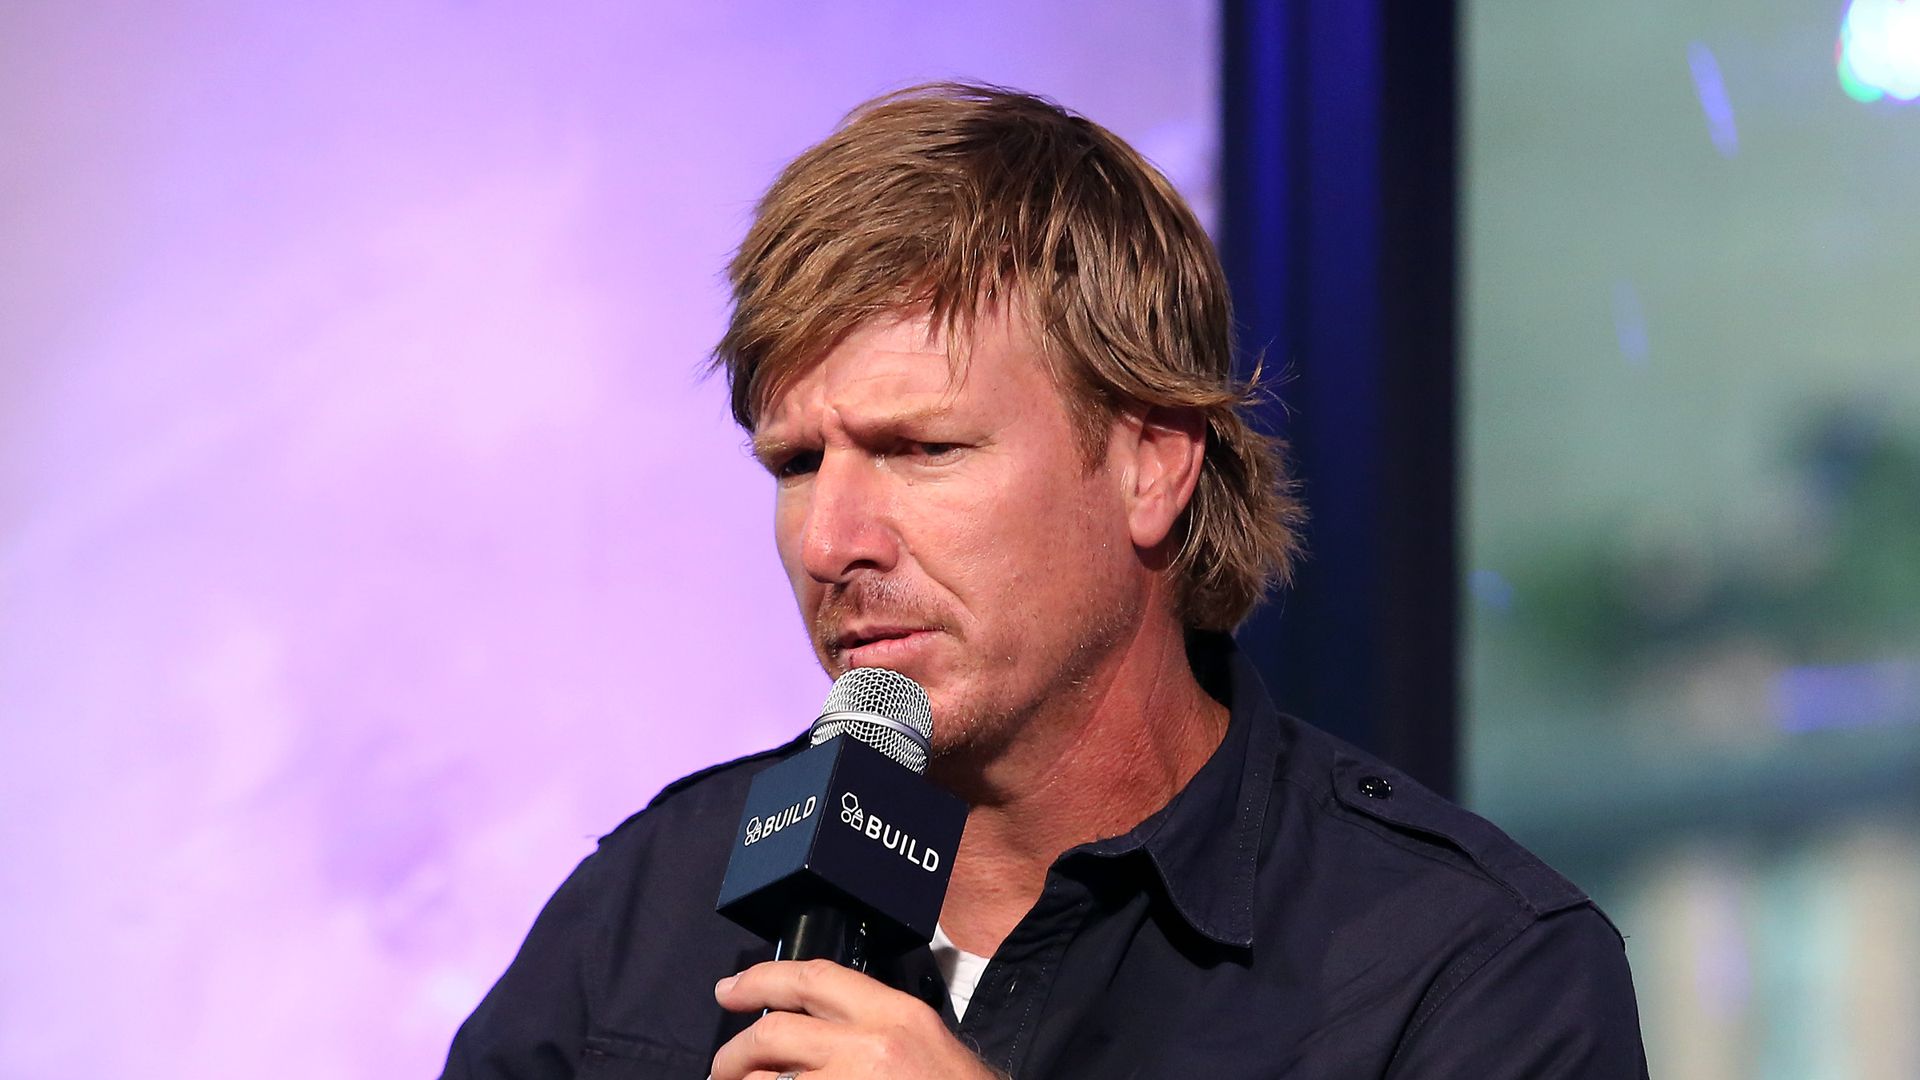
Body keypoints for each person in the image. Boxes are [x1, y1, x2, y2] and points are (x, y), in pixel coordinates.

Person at [440, 82, 1647, 1079]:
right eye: (798, 464)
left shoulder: (1469, 971)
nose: (831, 541)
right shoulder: (648, 910)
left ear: (1149, 466)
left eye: (921, 449)